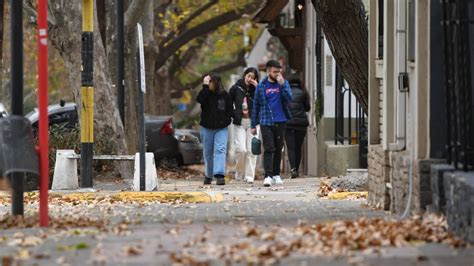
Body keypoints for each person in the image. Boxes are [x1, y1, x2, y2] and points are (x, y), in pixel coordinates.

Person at [251, 60, 293, 187]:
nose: (277, 74)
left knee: (278, 148)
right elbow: (256, 106)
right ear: (268, 71)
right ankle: (268, 176)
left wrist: (283, 84)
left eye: (278, 72)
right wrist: (253, 125)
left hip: (281, 121)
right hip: (266, 121)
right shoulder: (261, 86)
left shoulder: (283, 84)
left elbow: (289, 98)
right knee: (269, 148)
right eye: (274, 72)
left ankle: (276, 174)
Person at [197, 73, 233, 185]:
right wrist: (205, 86)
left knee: (220, 150)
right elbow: (200, 99)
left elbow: (230, 109)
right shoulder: (206, 93)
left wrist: (227, 120)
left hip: (221, 128)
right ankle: (208, 175)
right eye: (209, 82)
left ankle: (219, 175)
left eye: (211, 82)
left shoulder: (225, 95)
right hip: (207, 128)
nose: (211, 84)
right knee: (208, 152)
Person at [229, 67, 259, 183]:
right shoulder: (236, 88)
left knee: (251, 150)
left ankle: (249, 176)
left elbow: (263, 101)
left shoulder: (257, 89)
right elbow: (228, 103)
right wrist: (234, 114)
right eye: (248, 76)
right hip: (240, 122)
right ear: (244, 75)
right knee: (241, 149)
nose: (250, 79)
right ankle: (239, 172)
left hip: (253, 122)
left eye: (252, 77)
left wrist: (257, 87)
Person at [285, 74, 310, 178]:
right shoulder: (303, 93)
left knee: (291, 147)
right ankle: (297, 170)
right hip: (301, 124)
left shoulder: (285, 92)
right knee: (298, 147)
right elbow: (307, 108)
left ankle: (293, 169)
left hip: (288, 124)